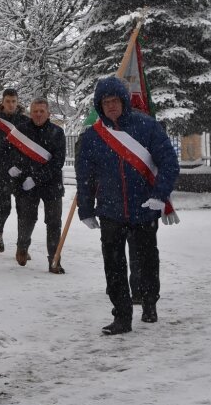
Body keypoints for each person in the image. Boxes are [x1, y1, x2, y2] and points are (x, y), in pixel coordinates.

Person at [76, 76, 179, 335]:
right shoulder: (92, 137)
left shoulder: (148, 127)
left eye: (115, 101)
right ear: (99, 105)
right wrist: (86, 208)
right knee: (113, 265)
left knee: (146, 261)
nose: (111, 106)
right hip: (110, 210)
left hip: (144, 207)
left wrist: (160, 195)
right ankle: (122, 315)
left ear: (124, 101)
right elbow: (85, 176)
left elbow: (168, 163)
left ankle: (149, 302)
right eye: (105, 102)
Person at [8, 97, 66, 272]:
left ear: (48, 113)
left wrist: (37, 178)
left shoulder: (58, 132)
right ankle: (22, 246)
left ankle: (54, 260)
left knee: (54, 223)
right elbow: (8, 152)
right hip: (26, 184)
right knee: (27, 220)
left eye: (42, 111)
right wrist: (12, 167)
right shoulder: (21, 131)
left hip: (51, 183)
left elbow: (58, 162)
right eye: (35, 111)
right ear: (30, 112)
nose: (38, 114)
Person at [0, 88, 29, 253]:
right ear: (2, 102)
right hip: (1, 172)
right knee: (6, 207)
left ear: (18, 102)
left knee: (23, 210)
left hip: (21, 171)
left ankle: (22, 246)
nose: (11, 104)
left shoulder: (24, 121)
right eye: (8, 101)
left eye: (14, 101)